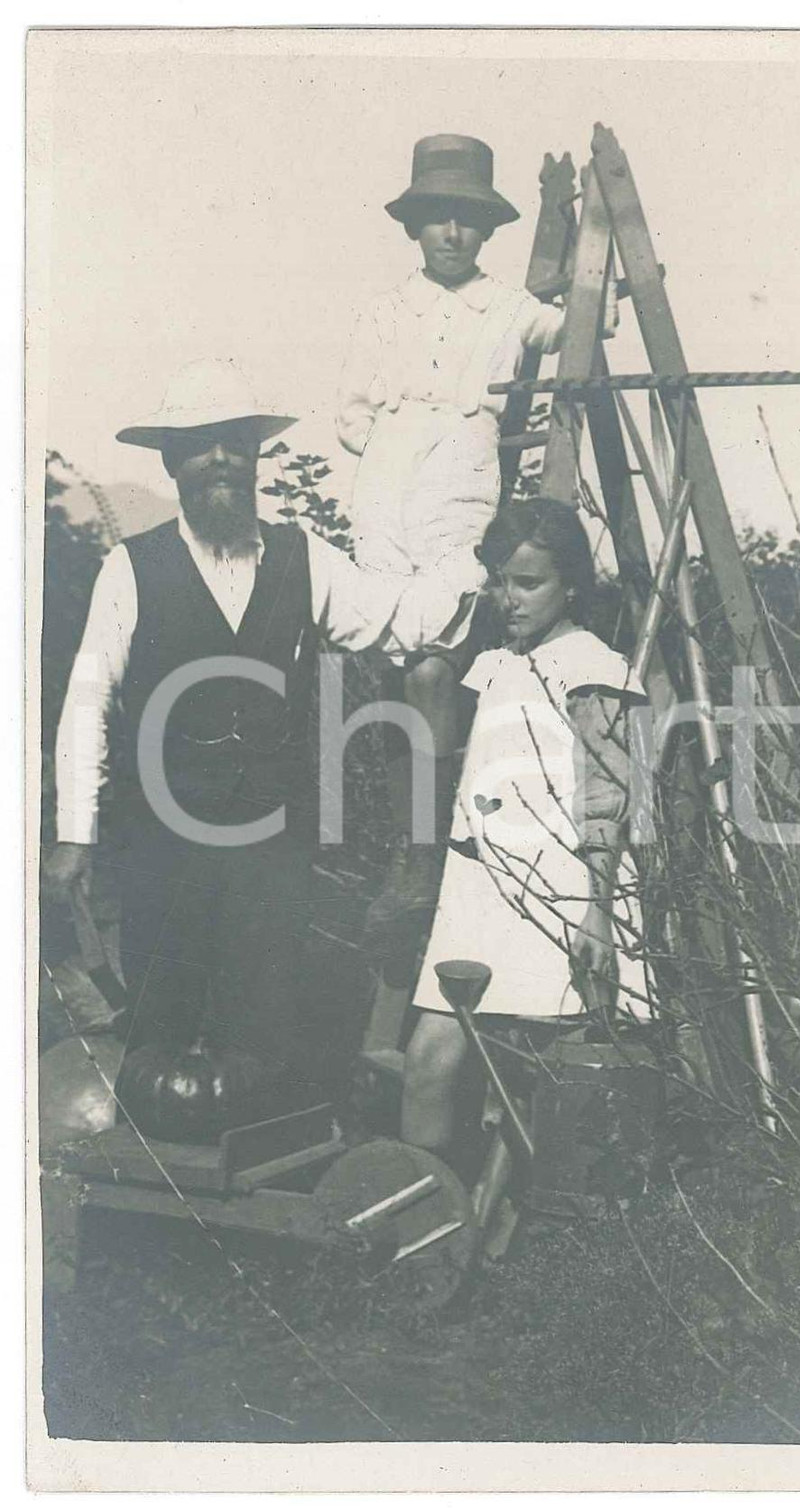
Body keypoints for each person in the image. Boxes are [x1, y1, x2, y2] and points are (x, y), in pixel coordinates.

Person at [45, 358, 482, 1109]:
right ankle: (159, 1200)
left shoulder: (300, 556)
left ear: (255, 457)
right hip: (164, 837)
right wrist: (75, 832)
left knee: (265, 1014)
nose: (221, 457)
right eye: (202, 443)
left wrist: (476, 561)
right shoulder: (132, 567)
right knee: (163, 1012)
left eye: (235, 442)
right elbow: (88, 699)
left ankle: (256, 1191)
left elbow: (400, 618)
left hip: (272, 839)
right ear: (171, 461)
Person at [337, 134, 618, 945]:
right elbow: (351, 411)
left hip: (461, 469)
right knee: (398, 667)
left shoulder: (509, 308)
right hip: (387, 478)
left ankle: (421, 858)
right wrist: (393, 440)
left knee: (434, 661)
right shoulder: (383, 313)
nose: (451, 234)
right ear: (415, 227)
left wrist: (600, 286)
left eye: (466, 220)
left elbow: (574, 331)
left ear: (486, 230)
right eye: (437, 219)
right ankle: (407, 848)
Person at [400, 498, 650, 1167]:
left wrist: (597, 913)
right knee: (429, 1059)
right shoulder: (496, 665)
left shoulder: (594, 667)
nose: (508, 598)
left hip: (558, 886)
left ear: (570, 582)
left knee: (537, 1082)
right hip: (479, 888)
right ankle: (422, 1222)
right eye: (498, 581)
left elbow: (608, 797)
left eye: (528, 582)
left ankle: (527, 1236)